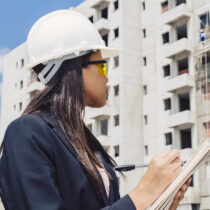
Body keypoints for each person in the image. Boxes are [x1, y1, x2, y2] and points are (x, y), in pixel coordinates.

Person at [0, 10, 191, 210]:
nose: (108, 77)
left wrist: (159, 204)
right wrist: (142, 194)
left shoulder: (88, 145)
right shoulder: (27, 134)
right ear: (74, 67)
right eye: (103, 67)